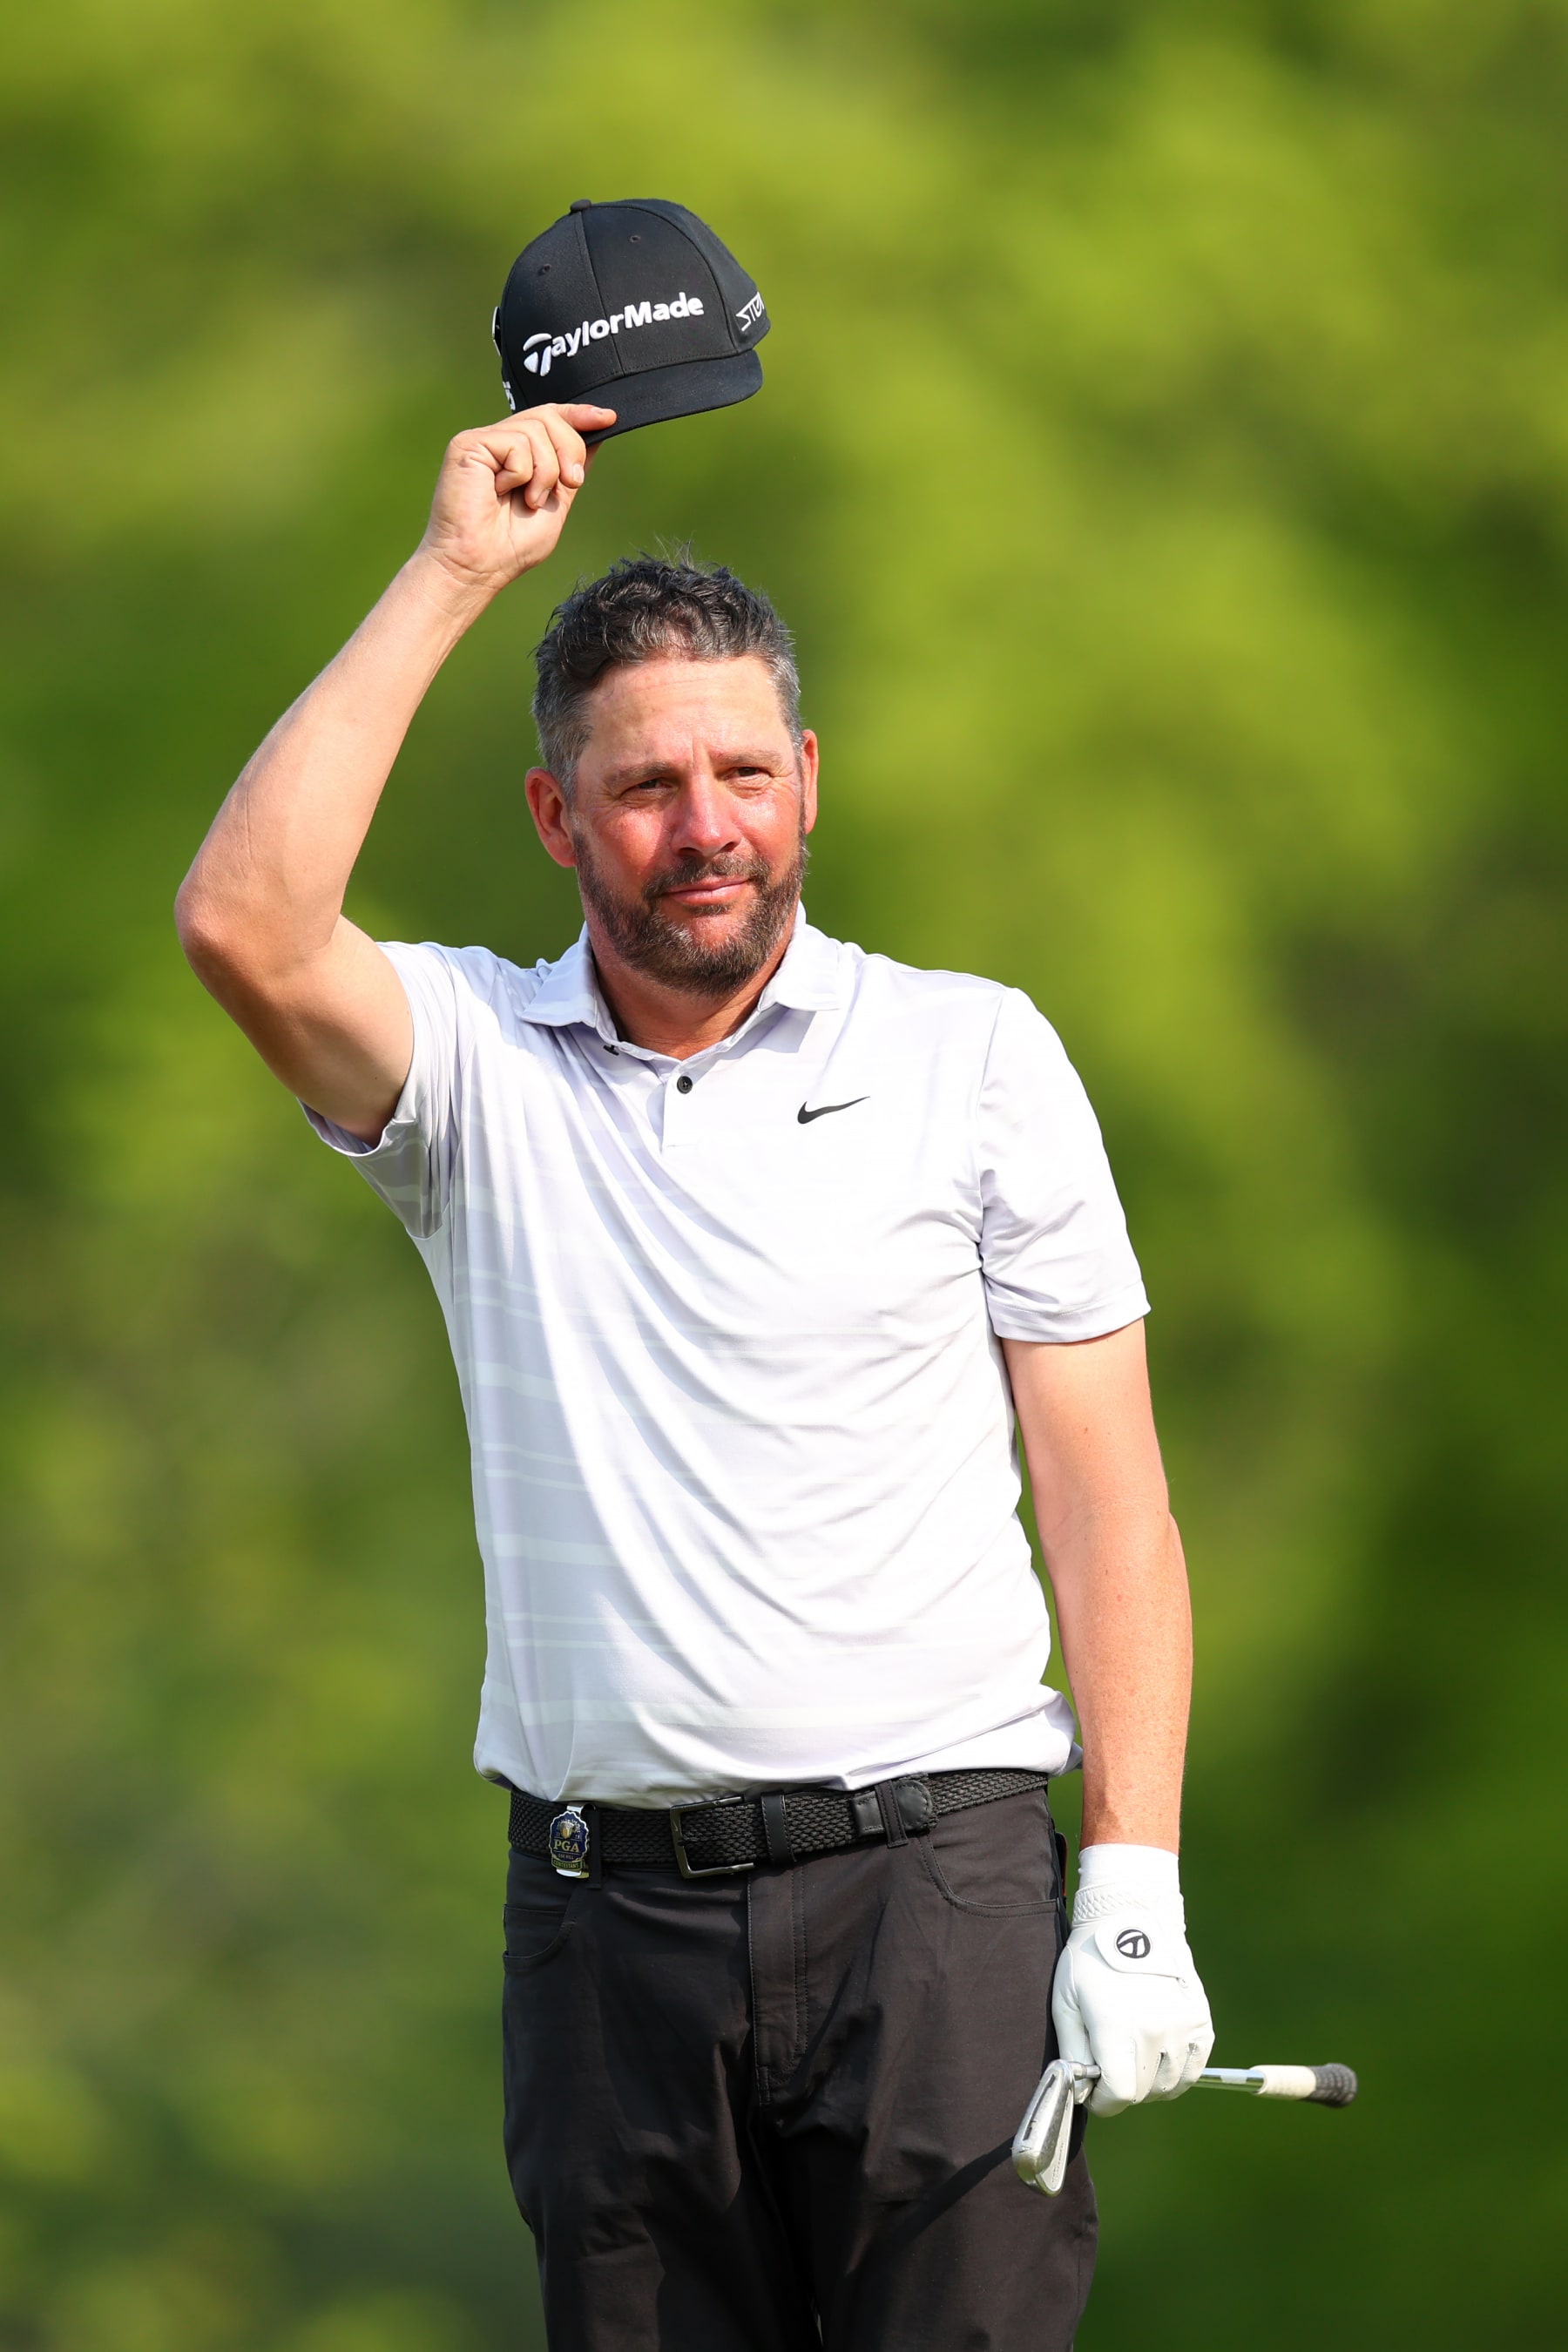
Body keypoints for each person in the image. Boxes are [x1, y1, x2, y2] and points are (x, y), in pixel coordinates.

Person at [176, 399, 1214, 2351]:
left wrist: (1133, 1878)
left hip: (944, 1895)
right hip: (605, 1934)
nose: (708, 822)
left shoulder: (975, 1056)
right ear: (560, 818)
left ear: (810, 781)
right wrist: (455, 571)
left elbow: (1107, 1497)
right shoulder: (469, 1067)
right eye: (647, 786)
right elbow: (243, 922)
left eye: (746, 769)